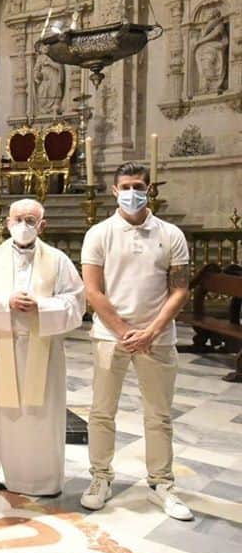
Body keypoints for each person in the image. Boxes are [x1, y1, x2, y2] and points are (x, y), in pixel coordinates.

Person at [80, 163, 193, 520]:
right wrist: (124, 330)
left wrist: (152, 331)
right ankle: (100, 477)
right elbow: (92, 290)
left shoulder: (170, 233)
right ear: (114, 191)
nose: (132, 192)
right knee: (101, 411)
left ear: (149, 189)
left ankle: (161, 483)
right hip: (110, 337)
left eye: (139, 185)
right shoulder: (99, 233)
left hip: (156, 337)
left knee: (158, 415)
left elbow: (180, 289)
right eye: (126, 186)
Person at [0, 199, 84, 496]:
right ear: (7, 223)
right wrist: (5, 303)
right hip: (3, 346)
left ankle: (41, 479)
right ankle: (3, 471)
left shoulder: (58, 260)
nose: (23, 226)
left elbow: (76, 302)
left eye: (31, 220)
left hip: (43, 351)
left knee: (41, 414)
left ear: (42, 225)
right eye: (18, 219)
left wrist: (41, 307)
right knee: (3, 411)